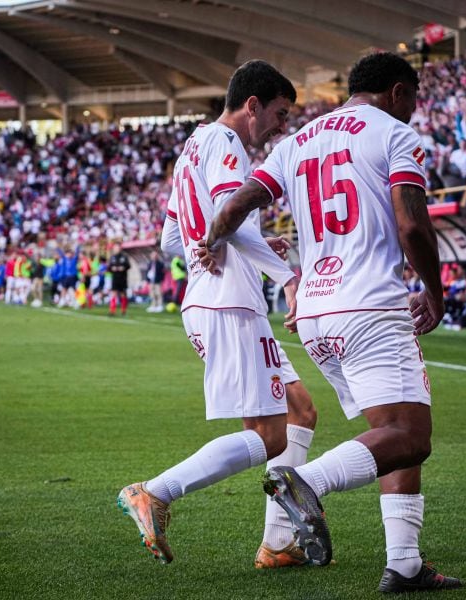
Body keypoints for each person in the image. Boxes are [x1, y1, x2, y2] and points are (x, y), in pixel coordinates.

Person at [203, 52, 461, 592]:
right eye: (411, 99)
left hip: (315, 311)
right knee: (411, 436)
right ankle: (306, 483)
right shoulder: (393, 133)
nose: (413, 110)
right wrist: (435, 293)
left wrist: (210, 244)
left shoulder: (294, 142)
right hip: (370, 304)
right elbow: (412, 227)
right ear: (397, 92)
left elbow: (231, 210)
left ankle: (405, 563)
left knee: (391, 429)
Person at [118, 60, 318, 572]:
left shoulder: (193, 146)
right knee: (271, 434)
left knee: (300, 411)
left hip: (212, 299)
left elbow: (170, 240)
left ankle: (278, 544)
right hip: (229, 303)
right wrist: (288, 277)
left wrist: (208, 244)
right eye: (277, 113)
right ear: (251, 105)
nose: (280, 126)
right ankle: (155, 492)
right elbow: (229, 210)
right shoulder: (226, 142)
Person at [107, 242, 130, 316]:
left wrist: (123, 268)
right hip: (115, 278)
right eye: (115, 248)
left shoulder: (124, 257)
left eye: (117, 247)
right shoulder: (112, 257)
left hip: (122, 278)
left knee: (123, 294)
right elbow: (109, 268)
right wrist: (112, 268)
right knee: (113, 293)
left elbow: (128, 266)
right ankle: (112, 310)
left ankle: (123, 310)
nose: (116, 249)